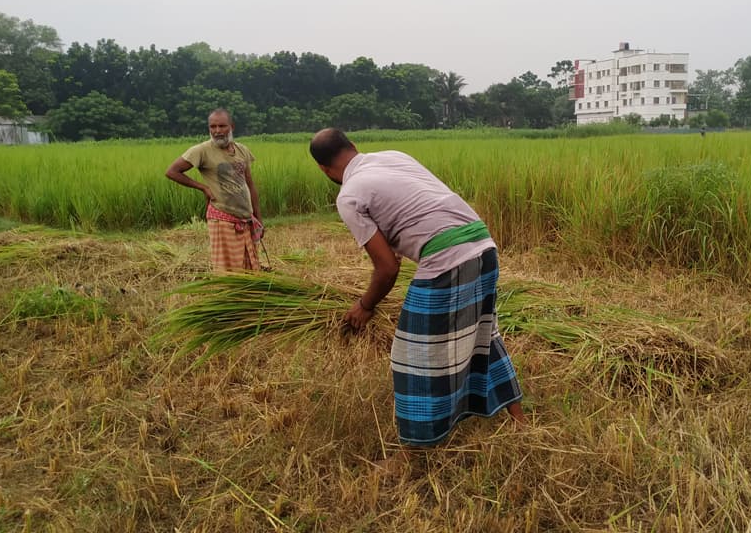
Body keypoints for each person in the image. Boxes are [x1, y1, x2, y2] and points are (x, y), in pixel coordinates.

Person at [309, 128, 526, 446]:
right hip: (483, 245)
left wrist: (365, 306)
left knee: (414, 357)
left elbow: (387, 269)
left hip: (447, 262)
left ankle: (416, 448)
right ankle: (520, 421)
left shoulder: (349, 195)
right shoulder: (394, 156)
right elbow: (420, 210)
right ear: (353, 146)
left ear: (324, 170)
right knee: (482, 335)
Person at [165, 108, 263, 272]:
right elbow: (172, 172)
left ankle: (246, 295)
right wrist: (202, 187)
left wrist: (258, 218)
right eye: (213, 127)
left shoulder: (242, 150)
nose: (217, 131)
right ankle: (229, 296)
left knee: (249, 269)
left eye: (222, 126)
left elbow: (250, 184)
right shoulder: (202, 150)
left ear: (232, 126)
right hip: (222, 218)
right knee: (229, 270)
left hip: (245, 218)